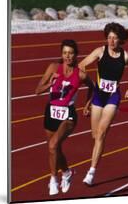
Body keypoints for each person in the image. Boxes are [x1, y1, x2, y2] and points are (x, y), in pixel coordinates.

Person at [79, 22, 128, 186]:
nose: (111, 41)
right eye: (109, 37)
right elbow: (82, 65)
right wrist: (88, 81)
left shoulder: (125, 56)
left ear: (120, 40)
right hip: (98, 95)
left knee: (102, 132)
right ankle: (98, 151)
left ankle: (91, 172)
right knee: (95, 135)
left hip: (113, 96)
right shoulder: (100, 51)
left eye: (115, 38)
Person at [35, 40, 94, 195]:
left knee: (53, 145)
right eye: (65, 53)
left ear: (76, 55)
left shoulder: (80, 74)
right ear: (61, 54)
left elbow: (92, 87)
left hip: (68, 114)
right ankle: (67, 173)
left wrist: (87, 105)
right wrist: (50, 83)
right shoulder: (53, 67)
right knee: (54, 149)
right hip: (51, 112)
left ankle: (53, 179)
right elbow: (37, 90)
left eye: (71, 53)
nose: (68, 56)